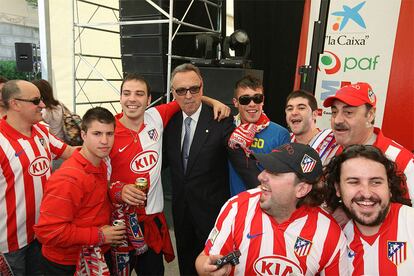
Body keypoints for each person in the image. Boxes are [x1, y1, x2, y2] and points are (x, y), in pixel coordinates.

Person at [164, 63, 287, 275]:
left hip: (211, 216)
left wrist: (270, 193)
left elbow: (240, 160)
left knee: (216, 269)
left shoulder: (221, 120)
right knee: (186, 266)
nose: (188, 95)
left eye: (194, 89)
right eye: (181, 90)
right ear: (173, 92)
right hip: (181, 214)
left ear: (202, 88)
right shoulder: (169, 122)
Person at [108, 73, 231, 275]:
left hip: (151, 223)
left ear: (148, 100)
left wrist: (214, 101)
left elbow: (187, 98)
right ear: (120, 97)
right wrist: (119, 190)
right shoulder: (108, 130)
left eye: (139, 94)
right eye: (127, 93)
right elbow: (95, 175)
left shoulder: (156, 116)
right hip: (119, 224)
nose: (132, 99)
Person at [195, 143, 348, 275]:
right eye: (265, 168)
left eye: (274, 172)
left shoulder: (329, 234)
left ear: (301, 189)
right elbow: (202, 260)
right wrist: (209, 269)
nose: (261, 176)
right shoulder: (237, 208)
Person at [34, 107, 126, 275]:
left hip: (92, 254)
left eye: (109, 134)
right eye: (97, 134)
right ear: (83, 135)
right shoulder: (69, 177)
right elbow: (48, 232)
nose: (105, 141)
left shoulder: (101, 163)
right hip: (66, 264)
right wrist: (99, 235)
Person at [0, 80, 74, 275]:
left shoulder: (41, 130)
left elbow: (70, 152)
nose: (42, 105)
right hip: (9, 245)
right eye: (35, 100)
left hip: (42, 234)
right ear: (15, 104)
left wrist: (102, 143)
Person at [324, 144, 414, 275]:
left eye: (376, 182)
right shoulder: (331, 237)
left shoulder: (410, 223)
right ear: (338, 188)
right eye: (354, 182)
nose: (366, 193)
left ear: (389, 186)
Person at [323, 82, 414, 204]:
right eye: (334, 112)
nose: (337, 120)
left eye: (348, 113)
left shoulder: (403, 161)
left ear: (370, 115)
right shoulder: (330, 150)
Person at [228, 75, 290, 196]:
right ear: (235, 103)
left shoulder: (280, 134)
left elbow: (283, 178)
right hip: (234, 205)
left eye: (257, 98)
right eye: (245, 100)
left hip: (265, 203)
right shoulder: (228, 129)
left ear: (263, 101)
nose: (252, 104)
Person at [286, 89, 339, 165]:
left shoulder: (333, 141)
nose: (294, 113)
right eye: (290, 109)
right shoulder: (284, 140)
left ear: (314, 114)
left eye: (301, 108)